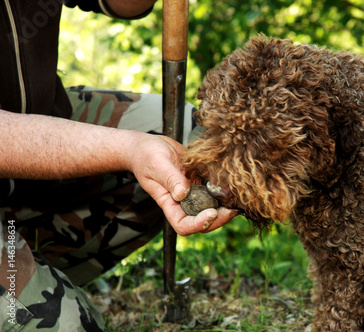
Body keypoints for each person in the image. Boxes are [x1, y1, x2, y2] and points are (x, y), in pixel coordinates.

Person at [0, 0, 236, 330]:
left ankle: (28, 260)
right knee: (70, 325)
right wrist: (129, 150)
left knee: (198, 143)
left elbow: (124, 3)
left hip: (34, 133)